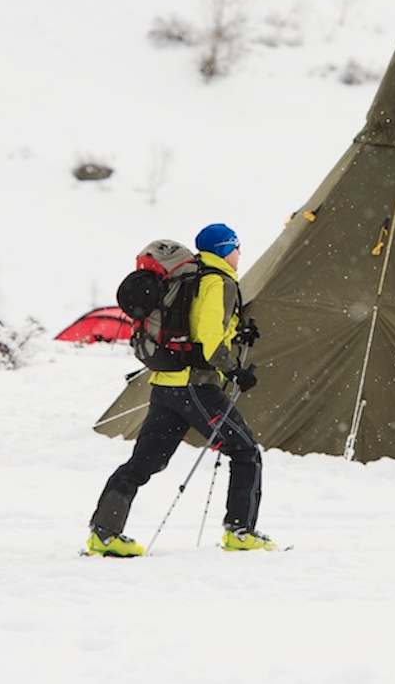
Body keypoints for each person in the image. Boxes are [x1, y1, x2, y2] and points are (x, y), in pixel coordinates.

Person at [87, 223, 274, 556]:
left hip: (164, 386)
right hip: (196, 388)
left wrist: (238, 334)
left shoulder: (189, 278)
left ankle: (104, 533)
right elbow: (207, 336)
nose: (240, 254)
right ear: (223, 250)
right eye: (236, 247)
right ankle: (240, 532)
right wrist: (233, 370)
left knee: (143, 464)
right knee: (246, 451)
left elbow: (200, 325)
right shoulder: (218, 281)